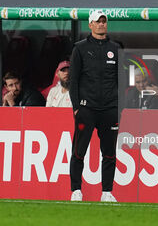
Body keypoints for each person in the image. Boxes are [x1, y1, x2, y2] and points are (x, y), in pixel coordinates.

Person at [69, 10, 119, 202]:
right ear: (90, 25)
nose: (101, 24)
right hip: (86, 109)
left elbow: (120, 79)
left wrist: (118, 107)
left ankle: (107, 192)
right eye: (97, 21)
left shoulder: (115, 48)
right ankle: (76, 191)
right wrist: (76, 107)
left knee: (109, 152)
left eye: (104, 21)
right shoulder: (80, 48)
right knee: (79, 151)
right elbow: (74, 80)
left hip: (109, 110)